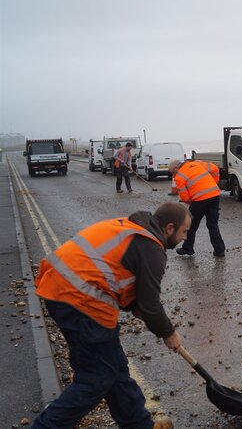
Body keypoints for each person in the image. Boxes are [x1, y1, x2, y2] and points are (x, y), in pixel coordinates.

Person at [32, 202, 190, 429]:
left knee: (115, 368)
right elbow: (151, 305)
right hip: (80, 300)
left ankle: (139, 425)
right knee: (96, 378)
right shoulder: (152, 248)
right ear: (170, 228)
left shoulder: (136, 229)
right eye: (184, 231)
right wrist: (169, 333)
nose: (185, 237)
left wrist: (139, 308)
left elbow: (130, 289)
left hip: (62, 289)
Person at [168, 159, 226, 257]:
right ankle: (219, 250)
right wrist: (214, 183)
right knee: (213, 225)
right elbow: (215, 169)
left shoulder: (179, 176)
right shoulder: (197, 163)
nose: (173, 175)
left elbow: (185, 198)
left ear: (176, 169)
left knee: (190, 224)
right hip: (214, 196)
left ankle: (187, 248)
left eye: (172, 173)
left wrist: (192, 201)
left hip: (200, 200)